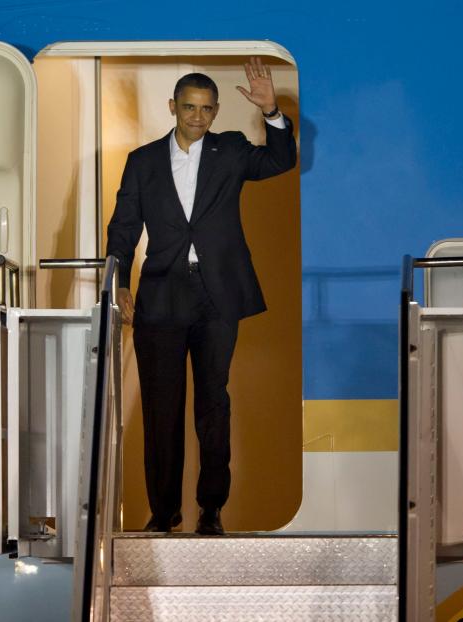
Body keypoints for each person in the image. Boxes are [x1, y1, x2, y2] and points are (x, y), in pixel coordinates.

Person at [106, 57, 297, 535]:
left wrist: (272, 111)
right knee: (161, 408)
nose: (197, 116)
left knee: (214, 404)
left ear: (215, 113)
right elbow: (124, 228)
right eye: (189, 107)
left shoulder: (231, 151)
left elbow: (280, 160)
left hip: (217, 295)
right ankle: (163, 512)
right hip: (161, 294)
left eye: (207, 109)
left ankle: (211, 510)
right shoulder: (143, 161)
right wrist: (120, 281)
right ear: (173, 107)